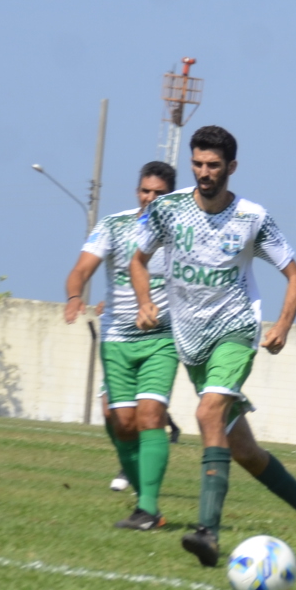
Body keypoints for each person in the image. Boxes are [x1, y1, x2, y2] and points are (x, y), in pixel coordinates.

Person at [130, 125, 296, 569]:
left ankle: (208, 533)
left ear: (232, 168)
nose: (204, 172)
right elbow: (137, 261)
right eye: (198, 164)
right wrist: (145, 301)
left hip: (235, 332)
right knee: (242, 450)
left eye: (214, 165)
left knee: (206, 415)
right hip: (190, 341)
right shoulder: (167, 210)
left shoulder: (252, 218)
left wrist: (280, 325)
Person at [64, 161, 179, 528]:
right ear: (137, 191)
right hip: (117, 338)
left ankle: (148, 509)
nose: (150, 198)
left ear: (171, 195)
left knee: (150, 418)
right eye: (145, 191)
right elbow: (82, 268)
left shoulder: (185, 231)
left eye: (159, 193)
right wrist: (74, 295)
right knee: (120, 422)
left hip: (162, 337)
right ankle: (139, 489)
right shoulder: (114, 225)